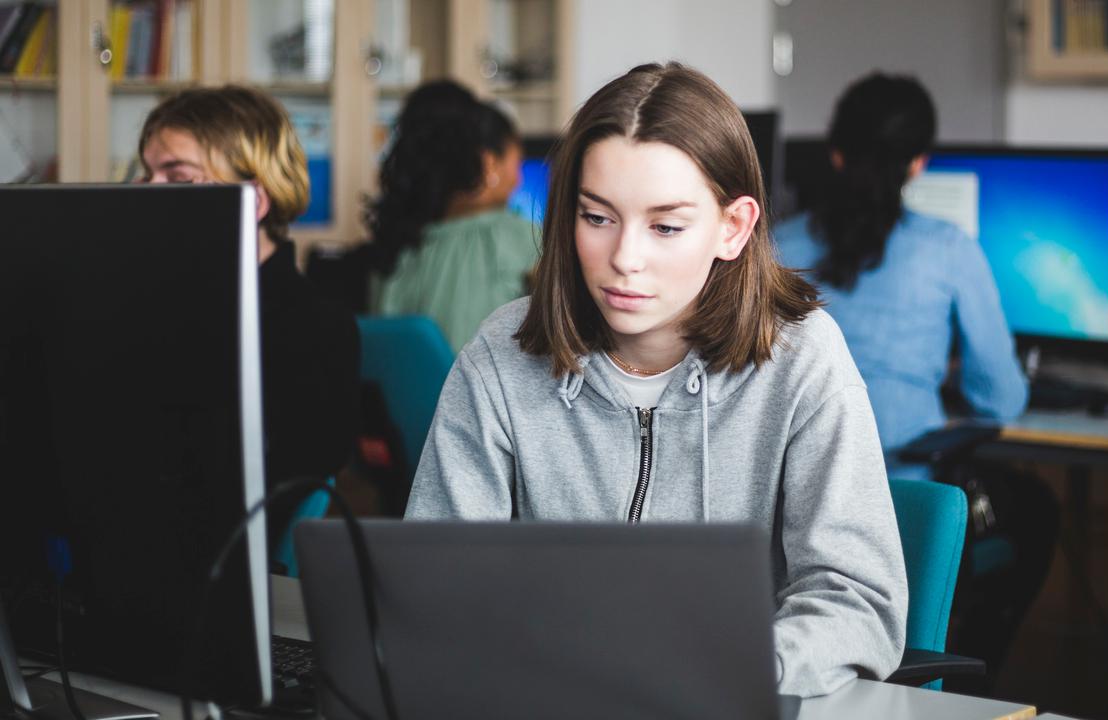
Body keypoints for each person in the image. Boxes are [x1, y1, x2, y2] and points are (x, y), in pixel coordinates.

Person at [403, 62, 908, 697]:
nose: (624, 259)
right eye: (597, 217)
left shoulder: (804, 359)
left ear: (733, 227)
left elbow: (857, 601)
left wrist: (730, 671)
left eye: (665, 226)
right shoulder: (500, 357)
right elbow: (436, 580)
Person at [773, 73, 1052, 688]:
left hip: (786, 514)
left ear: (837, 153)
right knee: (1037, 507)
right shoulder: (948, 248)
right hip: (901, 503)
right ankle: (974, 676)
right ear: (920, 163)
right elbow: (1001, 397)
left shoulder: (774, 246)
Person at [138, 85, 360, 547]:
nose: (146, 193)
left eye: (177, 177)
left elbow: (244, 507)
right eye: (146, 174)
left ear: (253, 202)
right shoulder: (155, 306)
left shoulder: (314, 329)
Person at [366, 80, 540, 352]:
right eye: (516, 164)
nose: (518, 180)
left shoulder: (393, 251)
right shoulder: (523, 239)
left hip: (413, 395)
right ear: (488, 163)